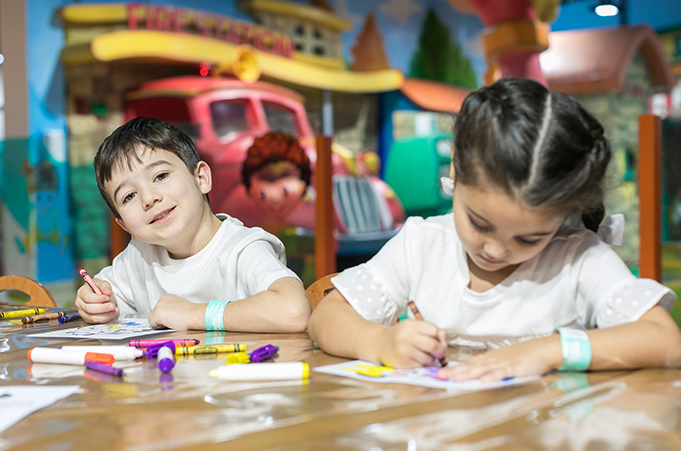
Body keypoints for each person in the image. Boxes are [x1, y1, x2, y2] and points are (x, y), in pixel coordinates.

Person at [308, 78, 681, 381]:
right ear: (455, 168)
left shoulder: (578, 259)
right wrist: (381, 340)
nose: (496, 250)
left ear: (565, 213)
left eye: (529, 238)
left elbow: (665, 340)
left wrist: (551, 350)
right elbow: (327, 316)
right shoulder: (423, 244)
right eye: (479, 223)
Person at [75, 117, 310, 332]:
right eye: (129, 196)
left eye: (160, 176)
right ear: (125, 226)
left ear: (201, 178)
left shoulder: (242, 248)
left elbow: (294, 310)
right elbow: (104, 293)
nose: (149, 198)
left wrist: (193, 314)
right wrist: (95, 301)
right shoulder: (138, 259)